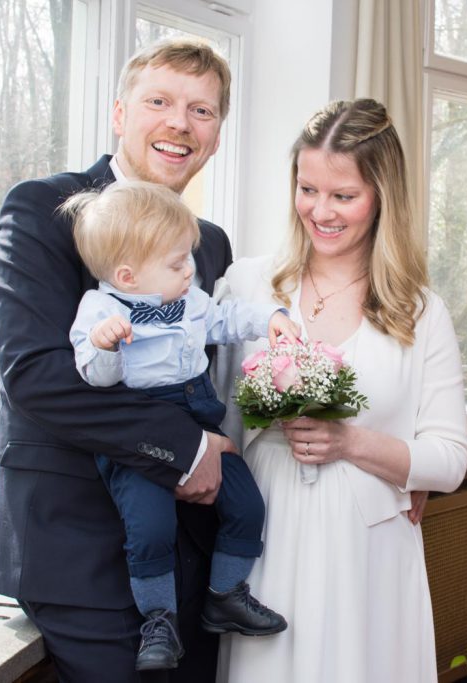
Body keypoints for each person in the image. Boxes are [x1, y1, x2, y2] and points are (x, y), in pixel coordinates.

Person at [0, 39, 237, 682]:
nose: (180, 123)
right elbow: (36, 377)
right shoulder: (44, 208)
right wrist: (188, 448)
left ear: (214, 137)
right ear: (120, 114)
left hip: (189, 548)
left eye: (202, 111)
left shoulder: (209, 245)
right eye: (159, 101)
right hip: (77, 548)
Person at [214, 98, 467, 683]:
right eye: (308, 189)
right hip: (263, 539)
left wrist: (353, 443)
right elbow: (215, 419)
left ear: (382, 196)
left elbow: (450, 459)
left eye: (343, 196)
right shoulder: (248, 284)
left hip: (369, 552)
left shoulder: (420, 312)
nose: (320, 211)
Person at [65, 179, 295, 671]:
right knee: (150, 529)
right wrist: (105, 346)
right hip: (141, 434)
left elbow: (224, 320)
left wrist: (270, 317)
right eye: (176, 263)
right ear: (127, 275)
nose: (190, 269)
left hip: (201, 418)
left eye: (187, 257)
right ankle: (158, 620)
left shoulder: (189, 299)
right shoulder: (101, 311)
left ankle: (225, 593)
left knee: (248, 507)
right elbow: (95, 380)